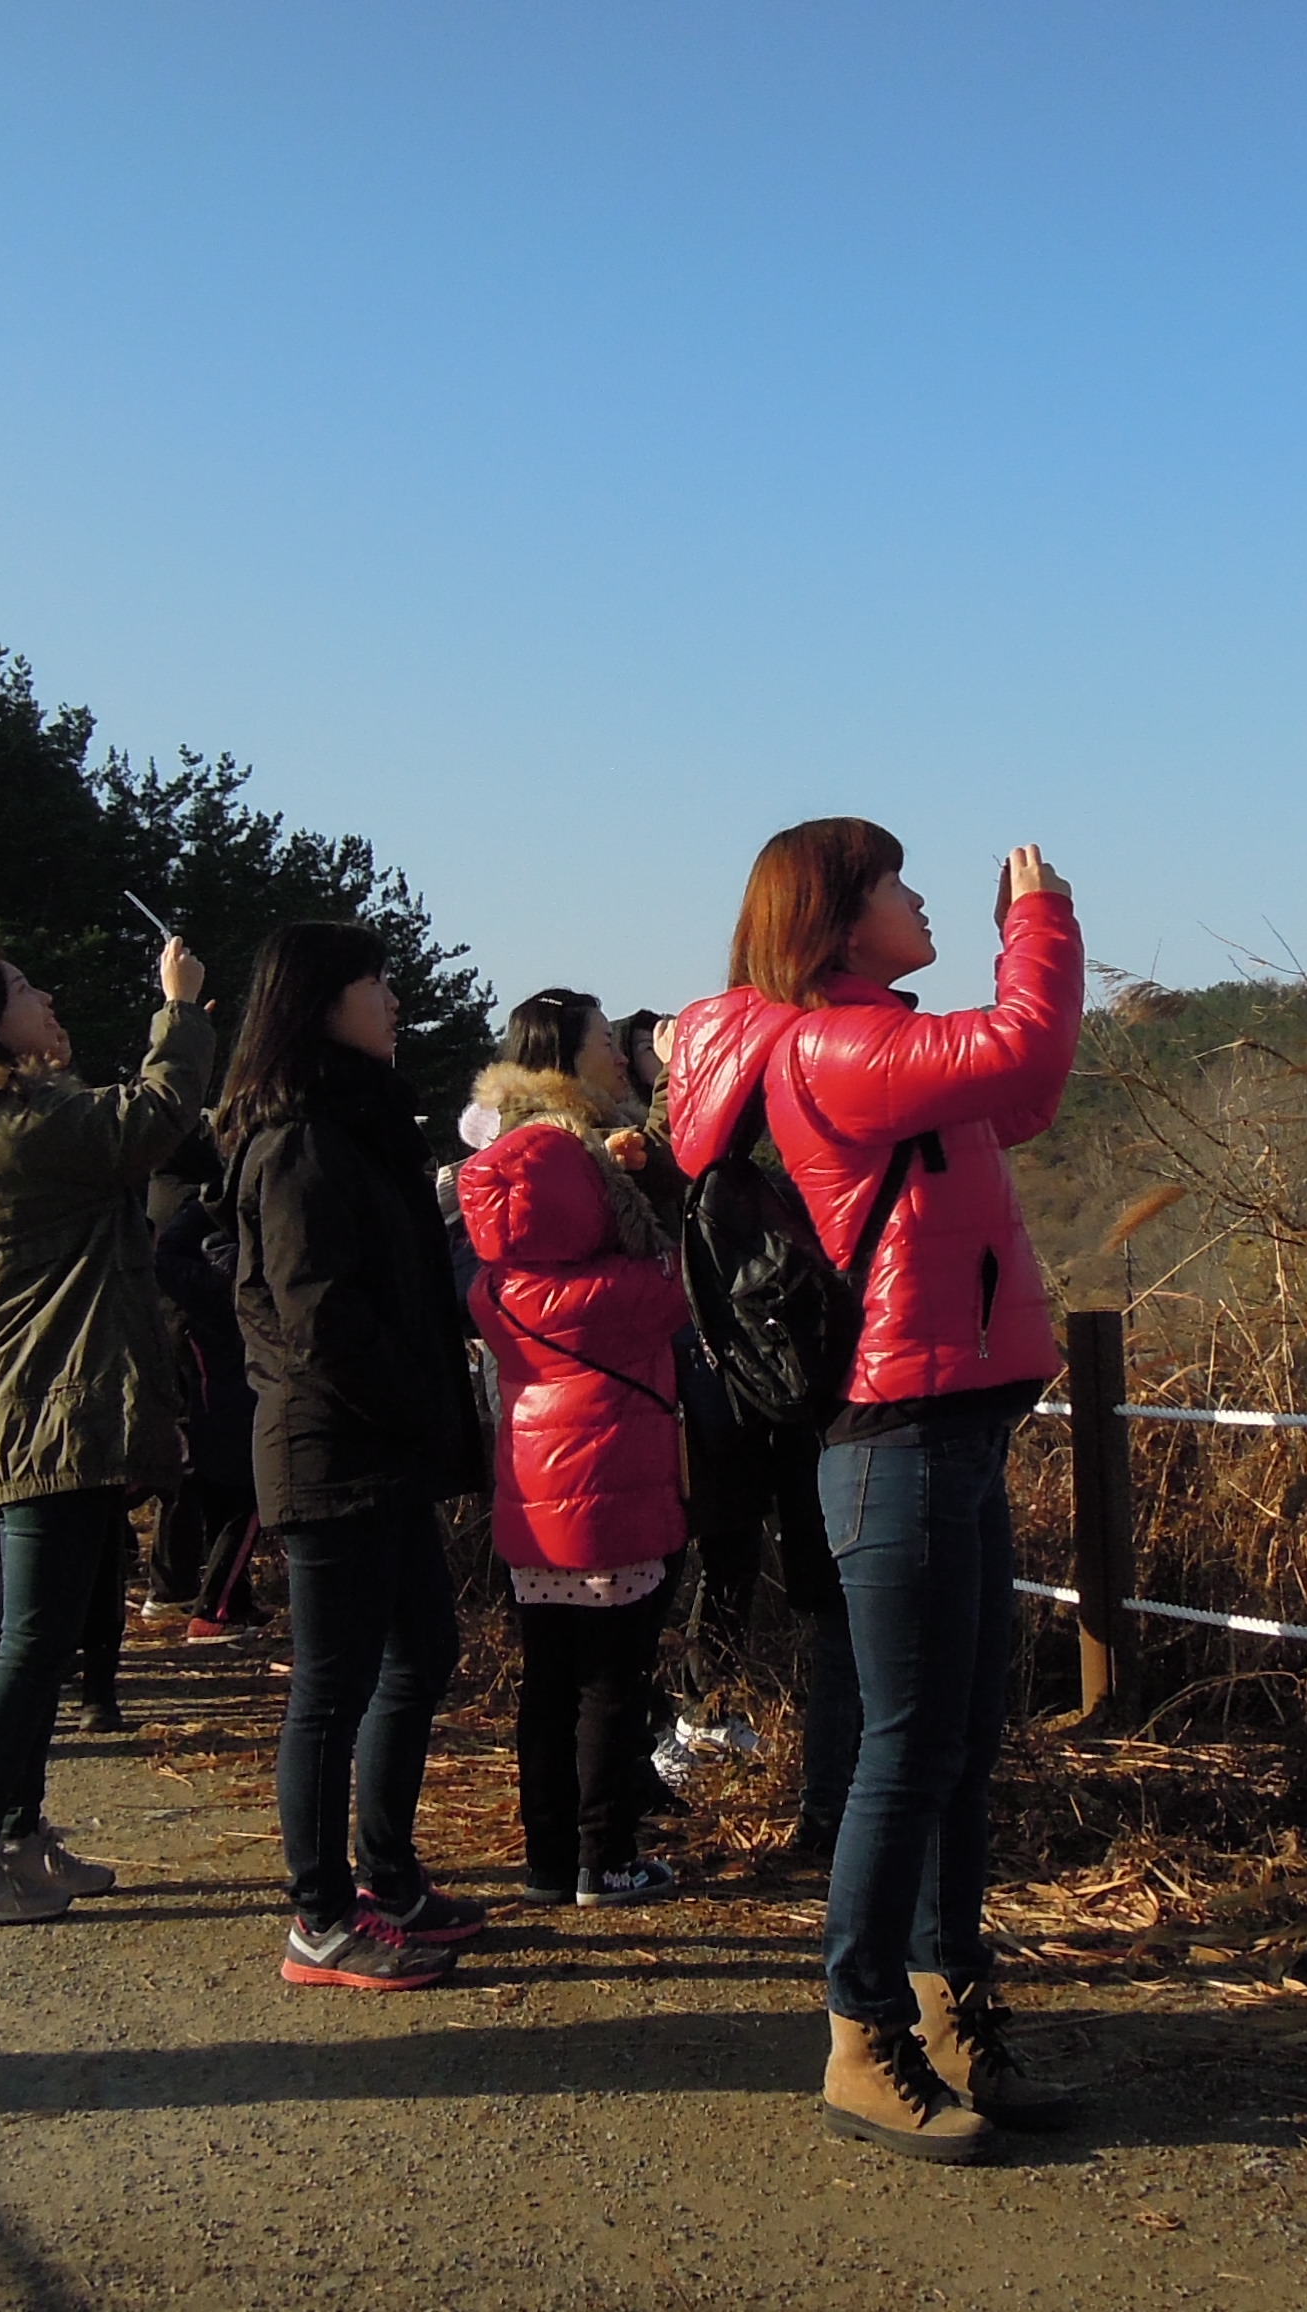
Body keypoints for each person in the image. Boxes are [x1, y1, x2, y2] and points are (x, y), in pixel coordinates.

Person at [664, 825, 1083, 2165]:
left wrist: (1026, 970)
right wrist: (1042, 922)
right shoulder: (829, 1048)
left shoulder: (877, 1048)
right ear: (841, 919)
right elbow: (1018, 1048)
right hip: (891, 1434)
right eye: (897, 883)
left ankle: (949, 2012)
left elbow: (1022, 1095)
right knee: (908, 1750)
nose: (920, 897)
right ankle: (862, 2038)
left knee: (957, 1746)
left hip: (949, 1425)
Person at [0, 936, 213, 1924]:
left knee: (41, 1641)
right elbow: (152, 1117)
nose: (48, 996)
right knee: (30, 1645)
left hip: (36, 1405)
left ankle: (19, 1835)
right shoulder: (15, 1126)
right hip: (48, 1408)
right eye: (24, 989)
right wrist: (181, 1007)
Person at [222, 920, 486, 1990]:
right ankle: (319, 1917)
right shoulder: (297, 1139)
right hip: (331, 1447)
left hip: (379, 1443)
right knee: (329, 1687)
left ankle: (389, 1876)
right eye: (375, 984)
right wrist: (422, 1400)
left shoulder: (353, 1124)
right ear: (322, 1002)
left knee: (420, 1651)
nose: (393, 1000)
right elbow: (318, 1315)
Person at [459, 992, 691, 1909]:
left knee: (549, 1679)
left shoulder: (505, 1280)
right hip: (613, 1462)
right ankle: (608, 1857)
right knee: (611, 1677)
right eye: (604, 1041)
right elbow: (672, 1288)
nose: (614, 1053)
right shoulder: (616, 1261)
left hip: (532, 1469)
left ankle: (551, 1860)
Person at [145, 1137, 263, 1636]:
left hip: (192, 1341)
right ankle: (214, 1606)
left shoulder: (160, 1192)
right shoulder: (192, 1202)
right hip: (206, 1344)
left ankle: (202, 1593)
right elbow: (168, 1260)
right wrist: (229, 1287)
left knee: (204, 1474)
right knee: (242, 1481)